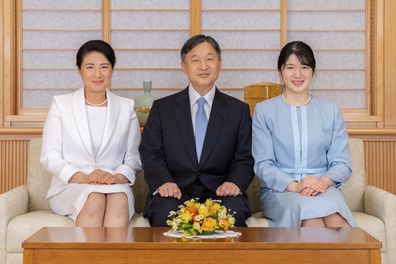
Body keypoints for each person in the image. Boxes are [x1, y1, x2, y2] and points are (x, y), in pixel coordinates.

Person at [139, 34, 254, 227]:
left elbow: (244, 156)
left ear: (219, 64)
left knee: (232, 212)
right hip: (174, 190)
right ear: (184, 67)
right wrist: (164, 182)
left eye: (210, 59)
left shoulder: (238, 110)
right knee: (164, 212)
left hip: (221, 192)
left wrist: (234, 182)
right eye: (195, 60)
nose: (203, 66)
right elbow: (151, 153)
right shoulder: (162, 108)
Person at [252, 41, 356, 227]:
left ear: (313, 72)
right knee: (311, 220)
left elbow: (342, 163)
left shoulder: (330, 110)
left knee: (337, 220)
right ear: (280, 72)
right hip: (281, 190)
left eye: (304, 67)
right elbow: (263, 164)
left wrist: (323, 182)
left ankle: (352, 257)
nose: (298, 74)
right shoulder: (264, 111)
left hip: (323, 188)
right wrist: (296, 185)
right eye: (290, 67)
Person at [40, 40, 142, 227]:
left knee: (119, 198)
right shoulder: (61, 105)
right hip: (71, 185)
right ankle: (87, 258)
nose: (97, 74)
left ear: (112, 69)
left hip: (115, 185)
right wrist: (85, 178)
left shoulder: (126, 107)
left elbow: (134, 158)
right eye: (90, 67)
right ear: (79, 70)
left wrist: (118, 177)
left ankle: (112, 257)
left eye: (104, 67)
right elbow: (50, 156)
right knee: (94, 196)